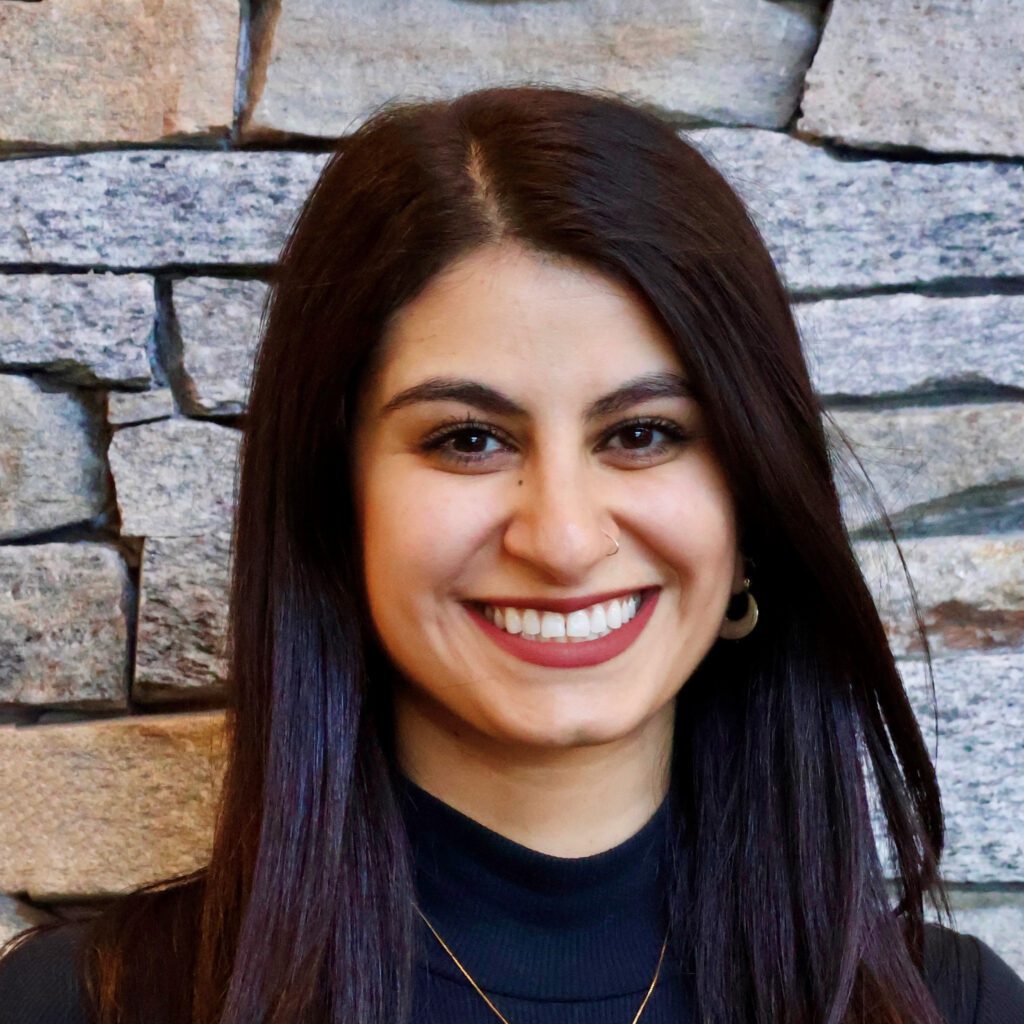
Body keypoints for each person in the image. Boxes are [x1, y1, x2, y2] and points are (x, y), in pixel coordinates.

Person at [1, 84, 1022, 1024]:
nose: (564, 540)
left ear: (752, 506)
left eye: (642, 433)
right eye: (467, 440)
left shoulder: (954, 1007)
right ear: (336, 505)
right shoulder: (83, 1006)